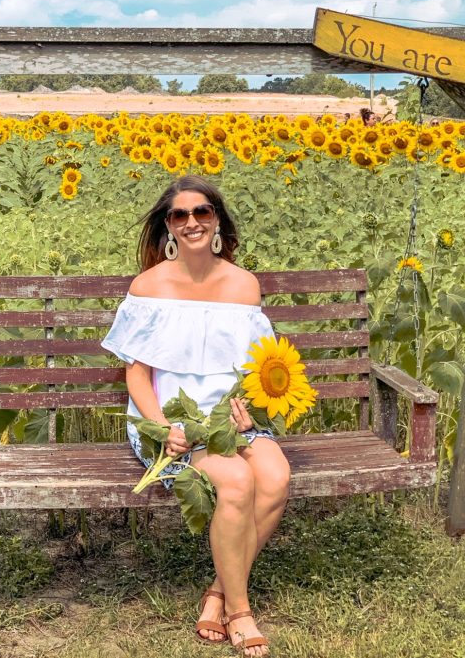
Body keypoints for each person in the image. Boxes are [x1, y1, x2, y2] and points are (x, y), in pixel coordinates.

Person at [102, 175, 288, 655]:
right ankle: (240, 612)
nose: (192, 222)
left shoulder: (244, 286)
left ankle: (218, 591)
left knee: (275, 475)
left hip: (230, 418)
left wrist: (251, 412)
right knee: (237, 482)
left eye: (202, 212)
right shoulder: (149, 286)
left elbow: (256, 367)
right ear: (168, 227)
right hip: (169, 422)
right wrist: (163, 428)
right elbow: (138, 377)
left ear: (217, 220)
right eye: (179, 215)